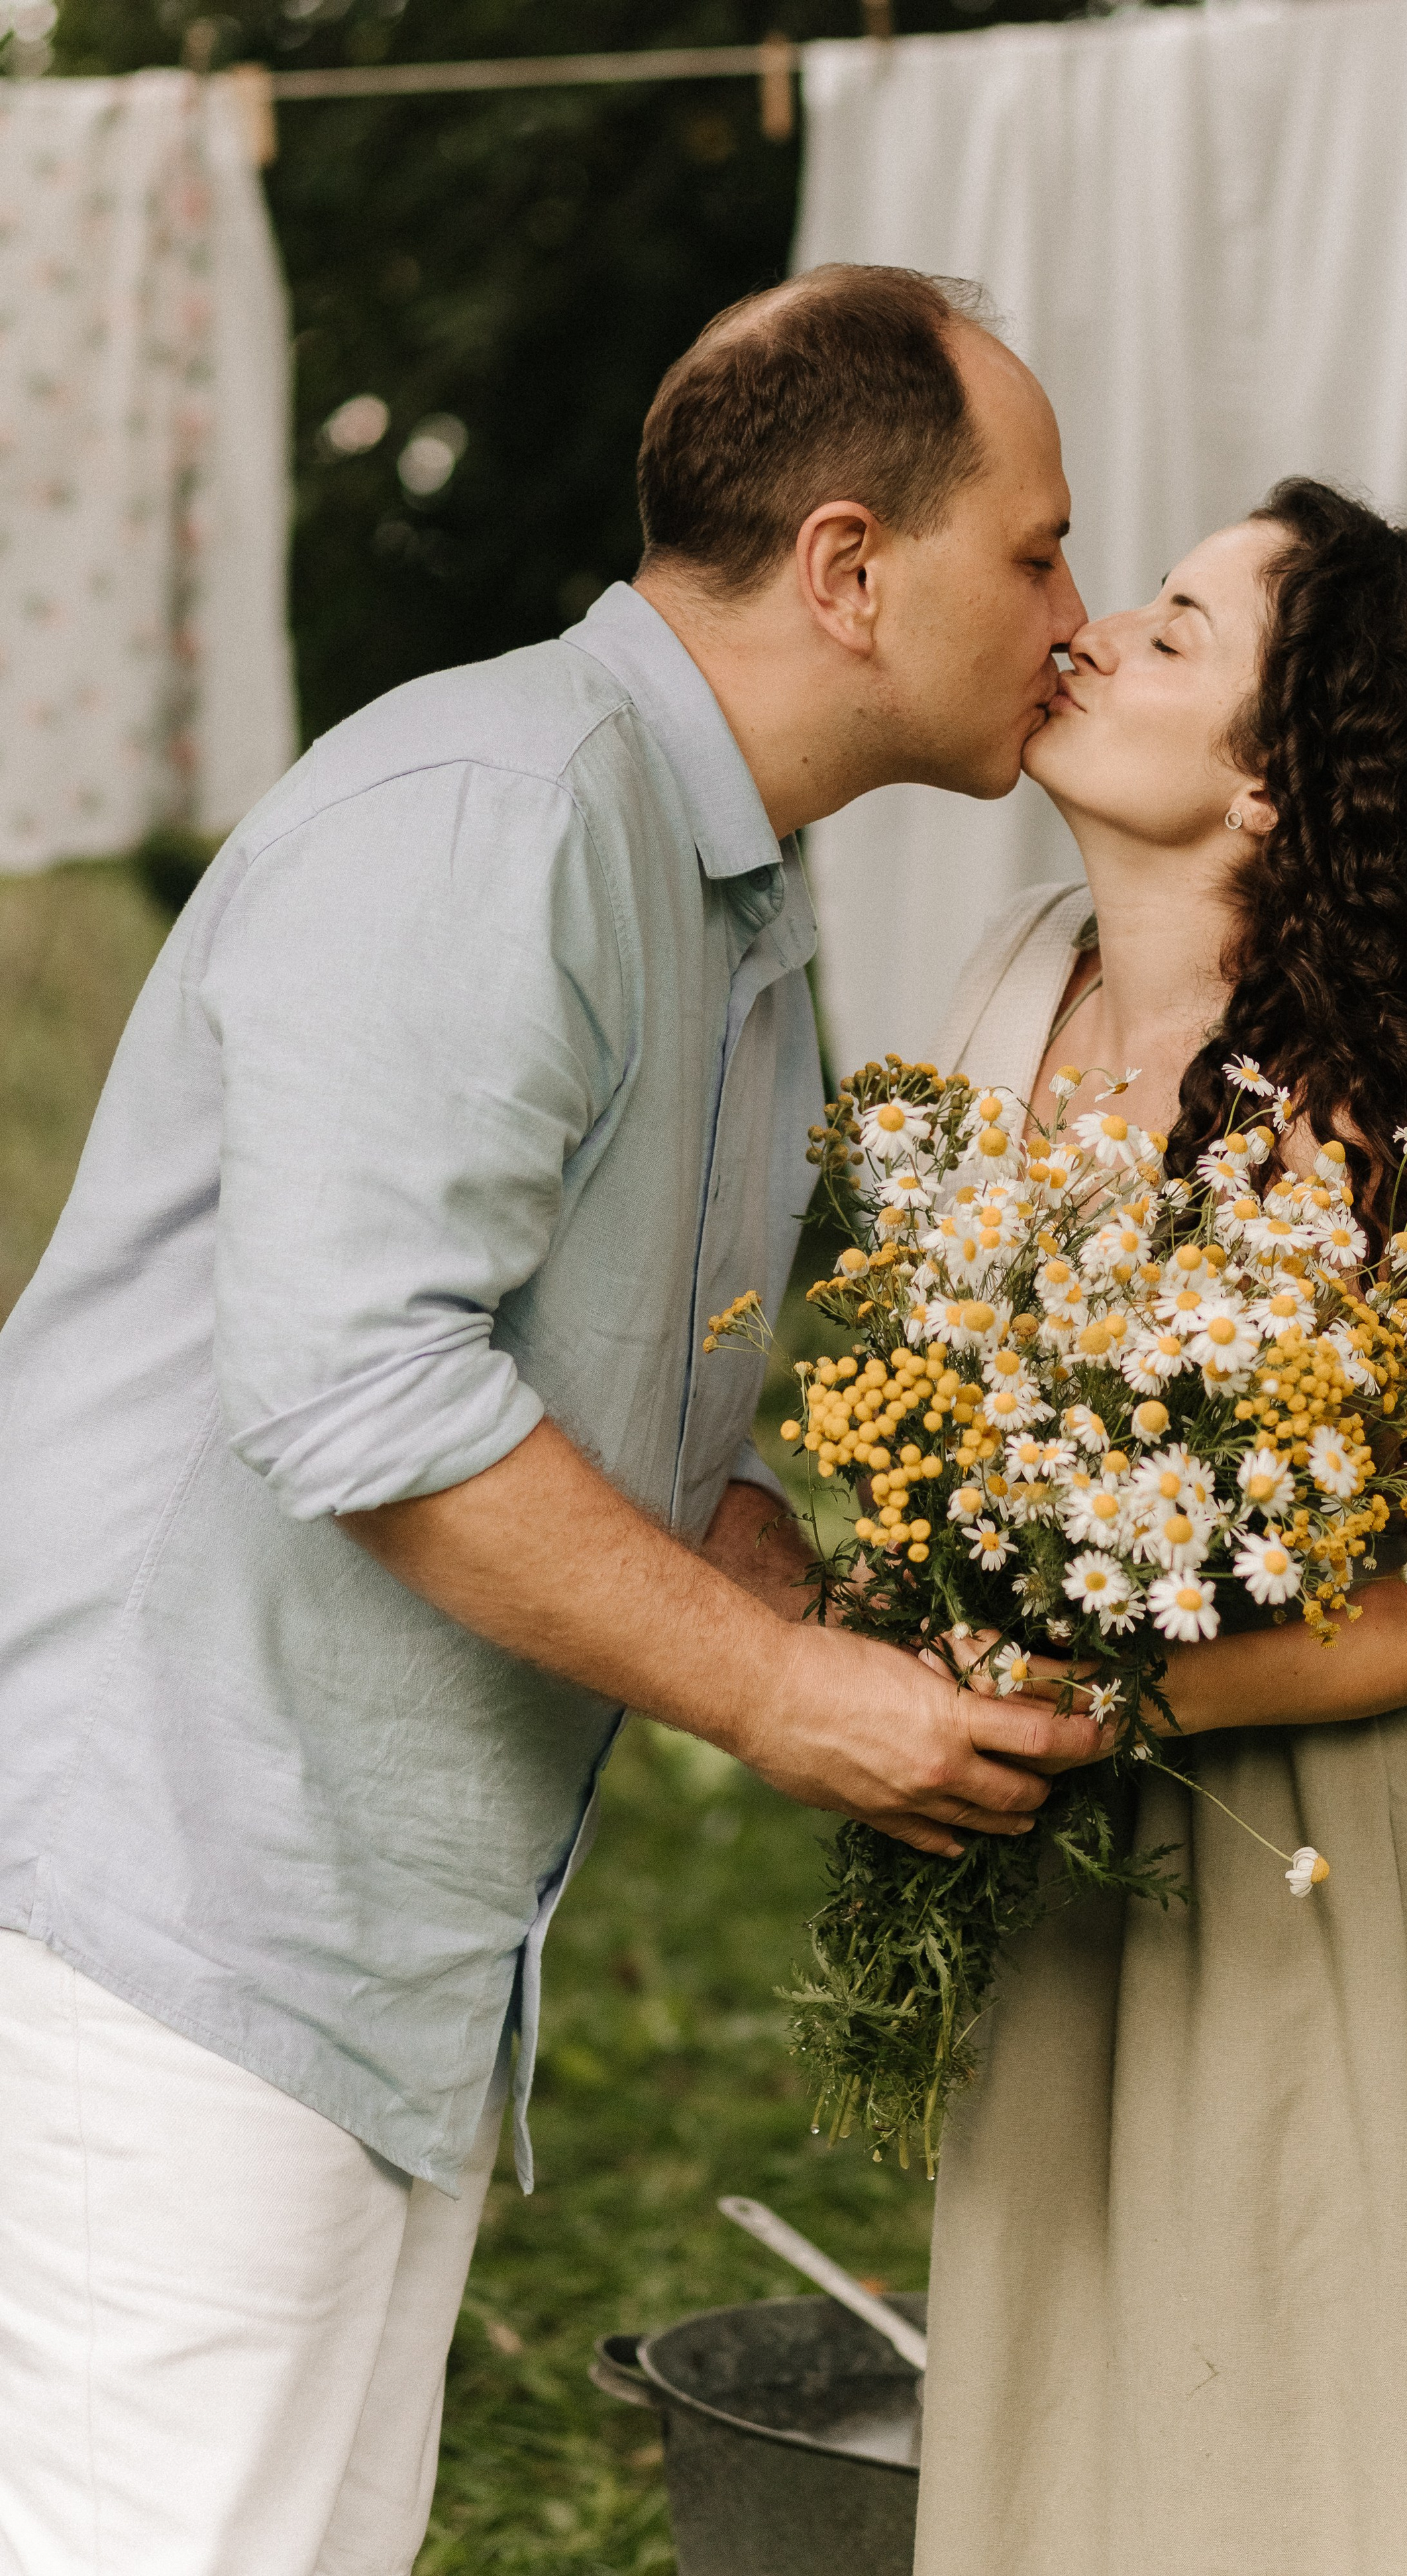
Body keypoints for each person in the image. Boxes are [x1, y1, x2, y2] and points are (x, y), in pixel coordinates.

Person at [0, 265, 1106, 2576]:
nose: (1077, 617)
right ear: (843, 564)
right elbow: (361, 1385)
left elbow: (603, 1435)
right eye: (1037, 550)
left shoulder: (729, 903)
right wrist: (791, 1698)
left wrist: (879, 1627)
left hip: (372, 1970)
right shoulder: (501, 810)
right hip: (167, 1930)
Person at [913, 479, 1407, 2575]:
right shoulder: (1005, 994)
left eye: (1182, 632)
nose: (1102, 627)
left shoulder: (1373, 1112)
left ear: (1273, 798)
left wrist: (1137, 1688)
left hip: (1317, 1870)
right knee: (1073, 2419)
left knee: (1297, 2432)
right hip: (1060, 1860)